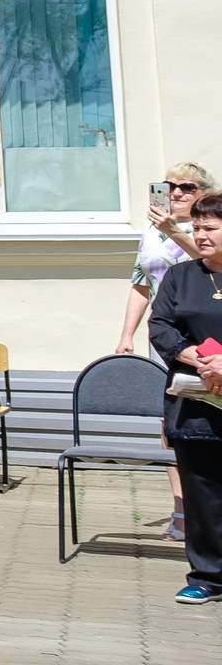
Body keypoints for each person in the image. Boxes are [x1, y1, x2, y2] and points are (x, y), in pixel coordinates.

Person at [123, 163, 207, 540]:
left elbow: (209, 263)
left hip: (206, 336)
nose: (175, 193)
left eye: (186, 186)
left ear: (203, 192)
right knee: (173, 425)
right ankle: (182, 510)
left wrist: (176, 230)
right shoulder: (151, 232)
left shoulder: (207, 230)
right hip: (167, 337)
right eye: (168, 186)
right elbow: (142, 285)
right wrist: (127, 335)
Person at [148, 191, 222, 605]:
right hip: (195, 400)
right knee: (203, 490)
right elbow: (160, 326)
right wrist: (194, 356)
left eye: (209, 228)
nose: (200, 235)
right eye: (196, 228)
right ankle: (208, 576)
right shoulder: (182, 276)